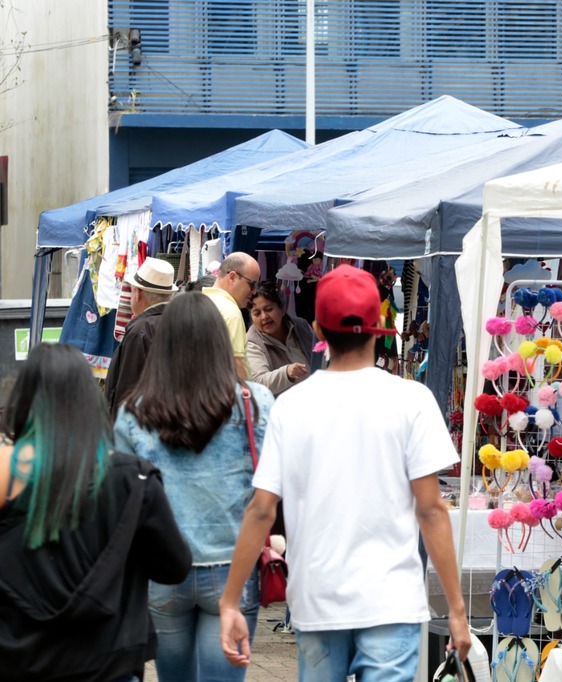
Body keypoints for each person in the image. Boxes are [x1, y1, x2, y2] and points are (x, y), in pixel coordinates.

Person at [219, 264, 471, 680]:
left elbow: (261, 509)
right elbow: (432, 510)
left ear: (317, 331)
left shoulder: (291, 407)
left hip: (318, 598)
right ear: (378, 328)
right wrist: (457, 611)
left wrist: (231, 602)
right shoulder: (412, 399)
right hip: (391, 598)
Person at [0, 343, 191, 681]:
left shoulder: (6, 472)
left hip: (19, 661)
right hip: (108, 661)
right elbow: (174, 567)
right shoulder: (134, 478)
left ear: (24, 399)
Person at [114, 293, 275, 682]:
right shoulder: (255, 404)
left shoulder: (134, 413)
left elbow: (122, 499)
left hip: (163, 572)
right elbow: (272, 488)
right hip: (234, 569)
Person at [105, 257, 178, 416]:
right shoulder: (179, 321)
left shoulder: (141, 331)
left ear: (137, 293)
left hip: (142, 425)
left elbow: (127, 387)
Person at [247, 281, 315, 395]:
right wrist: (287, 373)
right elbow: (258, 383)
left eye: (269, 309)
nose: (264, 317)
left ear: (282, 309)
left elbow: (319, 356)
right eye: (257, 313)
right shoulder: (252, 343)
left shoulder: (301, 326)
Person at [204, 251, 261, 380]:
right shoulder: (230, 312)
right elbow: (236, 367)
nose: (254, 291)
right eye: (252, 284)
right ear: (232, 277)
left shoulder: (200, 302)